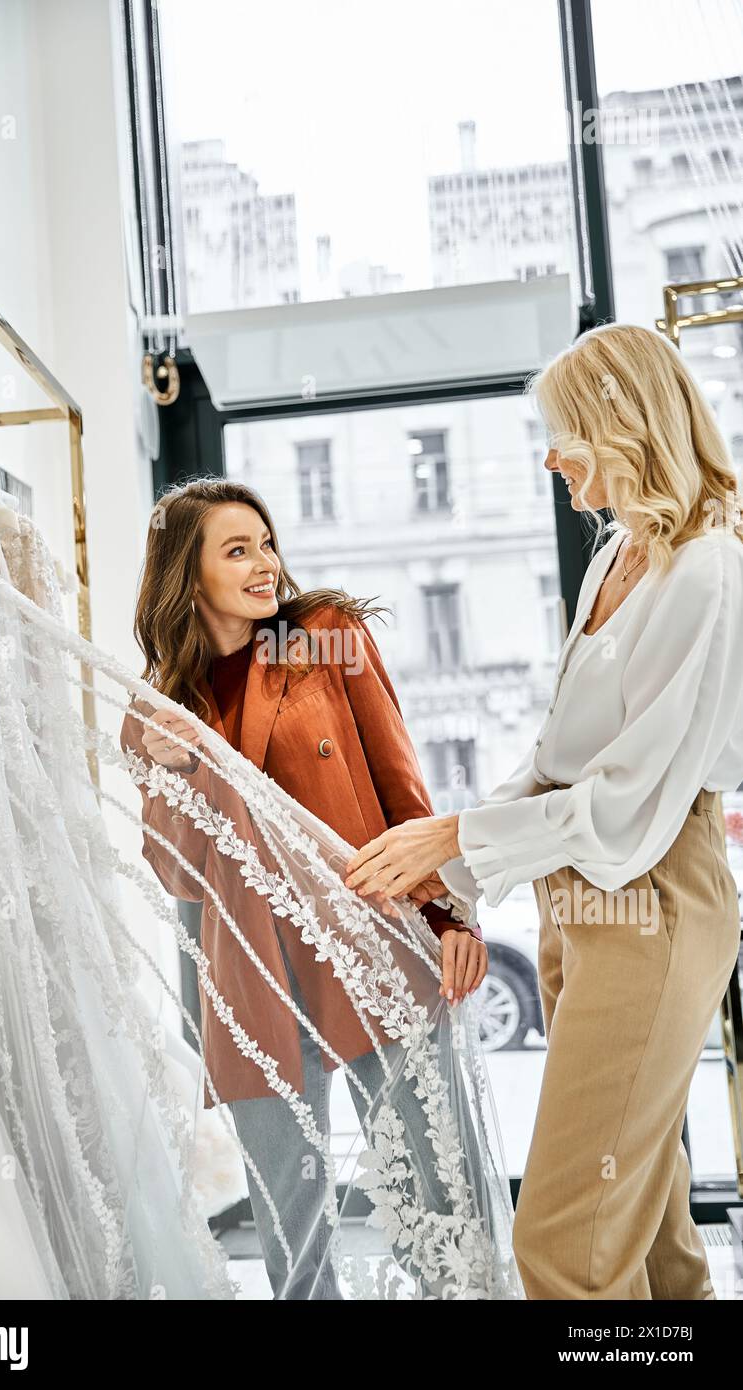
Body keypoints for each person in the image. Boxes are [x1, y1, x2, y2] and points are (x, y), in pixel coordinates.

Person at [344, 322, 743, 1300]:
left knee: (561, 1240)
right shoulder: (616, 554)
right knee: (644, 1227)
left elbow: (631, 790)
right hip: (585, 891)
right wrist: (454, 853)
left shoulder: (706, 569)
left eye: (561, 432)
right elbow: (562, 756)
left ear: (620, 425)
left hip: (651, 889)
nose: (549, 456)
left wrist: (459, 843)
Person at [120, 477, 489, 1299]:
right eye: (238, 549)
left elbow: (401, 789)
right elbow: (178, 874)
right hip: (254, 980)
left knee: (438, 1198)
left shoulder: (326, 636)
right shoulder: (158, 709)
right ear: (187, 570)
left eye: (267, 543)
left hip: (372, 947)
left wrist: (445, 912)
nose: (266, 565)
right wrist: (173, 769)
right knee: (294, 1234)